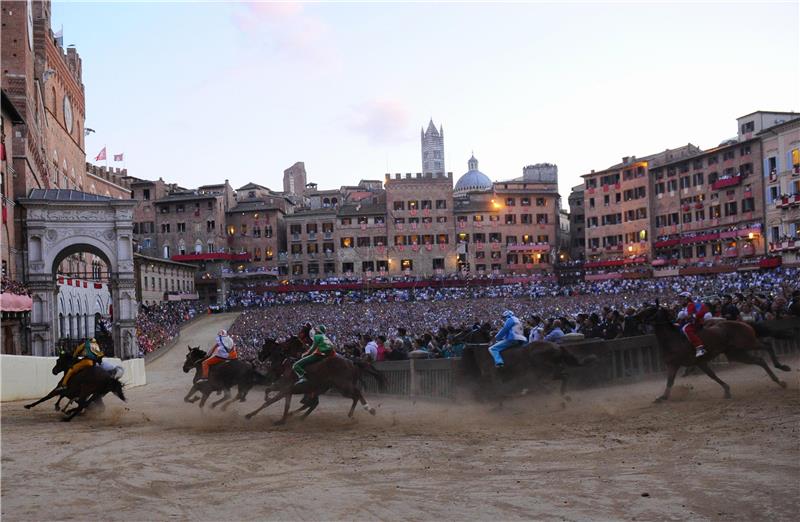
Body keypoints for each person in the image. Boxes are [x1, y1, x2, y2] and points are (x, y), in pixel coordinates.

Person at [677, 291, 708, 357]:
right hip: (689, 322)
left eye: (682, 299)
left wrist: (685, 316)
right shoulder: (685, 307)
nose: (680, 300)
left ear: (687, 299)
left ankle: (699, 347)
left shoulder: (691, 305)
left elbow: (691, 315)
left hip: (695, 322)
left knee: (686, 329)